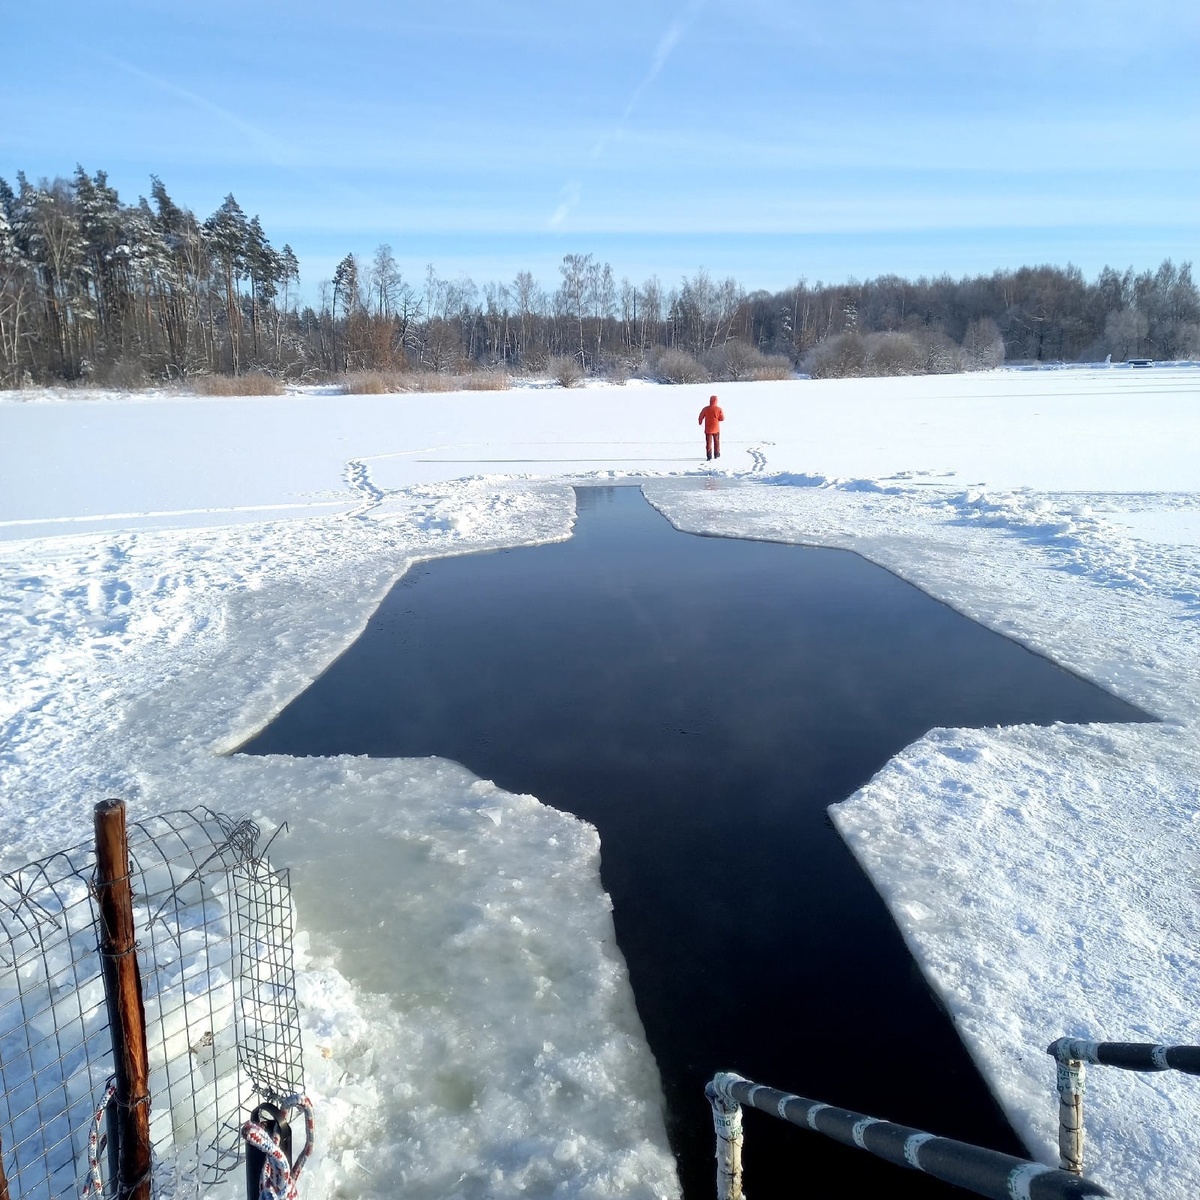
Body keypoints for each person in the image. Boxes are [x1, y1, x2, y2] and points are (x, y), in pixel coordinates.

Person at [698, 394, 724, 460]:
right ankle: (716, 454)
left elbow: (701, 416)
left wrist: (700, 422)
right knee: (716, 441)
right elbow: (722, 418)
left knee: (708, 443)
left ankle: (709, 455)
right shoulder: (719, 409)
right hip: (716, 429)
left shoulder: (705, 409)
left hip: (708, 429)